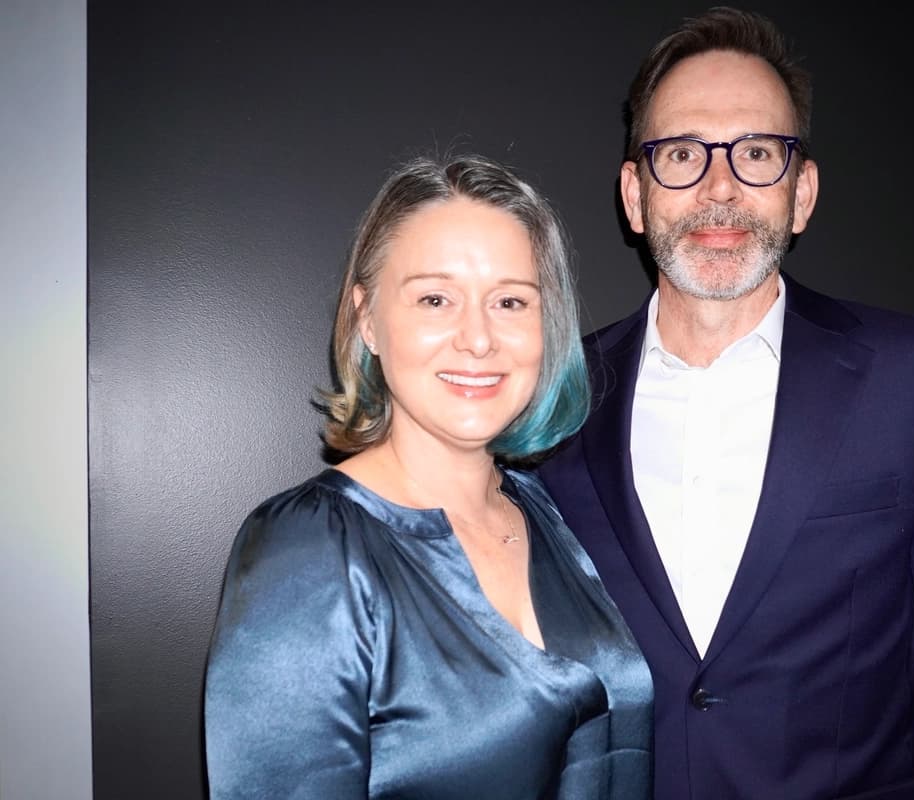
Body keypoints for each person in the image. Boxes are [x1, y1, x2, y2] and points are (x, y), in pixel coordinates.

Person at [538, 7, 914, 799]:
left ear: (801, 193)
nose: (720, 188)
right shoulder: (552, 400)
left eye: (756, 153)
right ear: (635, 196)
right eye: (682, 154)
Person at [204, 154, 653, 799]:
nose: (478, 339)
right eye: (435, 299)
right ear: (367, 319)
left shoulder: (551, 514)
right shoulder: (309, 549)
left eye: (510, 301)